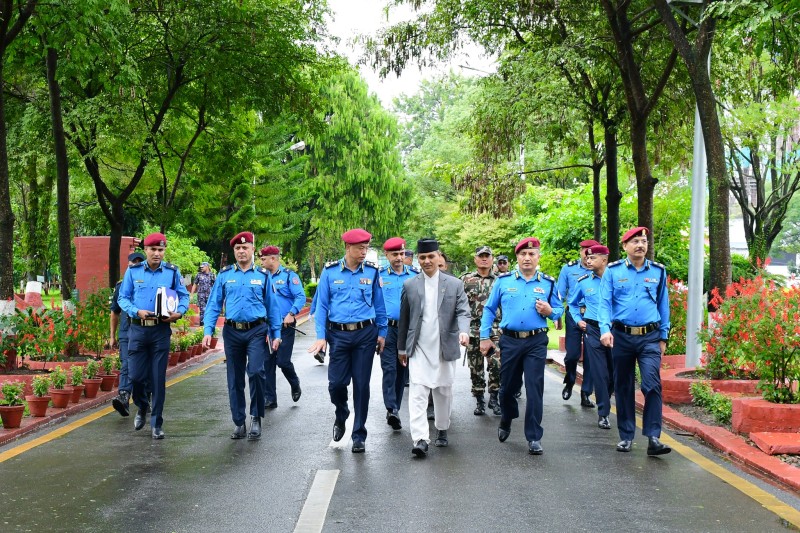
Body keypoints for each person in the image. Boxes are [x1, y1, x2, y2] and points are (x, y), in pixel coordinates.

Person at [480, 237, 563, 455]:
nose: (527, 258)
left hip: (536, 341)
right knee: (508, 388)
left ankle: (534, 437)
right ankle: (507, 418)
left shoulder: (548, 283)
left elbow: (558, 310)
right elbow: (489, 309)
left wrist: (550, 312)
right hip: (510, 340)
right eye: (523, 254)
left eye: (532, 254)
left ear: (538, 257)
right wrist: (483, 336)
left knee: (535, 389)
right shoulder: (504, 281)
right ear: (517, 257)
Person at [307, 228, 387, 453]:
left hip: (365, 334)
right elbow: (322, 306)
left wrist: (382, 333)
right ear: (347, 248)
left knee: (362, 385)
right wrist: (321, 337)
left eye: (366, 248)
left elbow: (379, 305)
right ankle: (341, 413)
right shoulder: (330, 272)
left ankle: (359, 434)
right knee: (336, 384)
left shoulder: (371, 272)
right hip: (339, 335)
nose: (364, 252)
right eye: (360, 248)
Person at [599, 227, 671, 456]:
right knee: (623, 386)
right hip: (621, 336)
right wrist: (604, 329)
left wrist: (663, 335)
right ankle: (626, 436)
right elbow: (604, 303)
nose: (640, 245)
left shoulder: (658, 271)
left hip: (650, 336)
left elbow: (663, 304)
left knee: (652, 384)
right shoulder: (613, 271)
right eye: (635, 241)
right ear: (625, 246)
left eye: (643, 241)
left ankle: (653, 437)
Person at [203, 232, 282, 440]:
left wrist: (276, 334)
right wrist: (207, 330)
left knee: (256, 372)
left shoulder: (263, 276)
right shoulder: (225, 275)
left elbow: (272, 307)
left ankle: (256, 416)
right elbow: (214, 304)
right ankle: (239, 422)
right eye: (237, 248)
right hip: (232, 331)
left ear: (252, 250)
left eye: (245, 248)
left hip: (257, 330)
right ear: (234, 251)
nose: (241, 251)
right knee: (235, 378)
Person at [398, 239, 470, 458]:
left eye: (431, 256)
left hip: (444, 347)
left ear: (439, 257)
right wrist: (402, 349)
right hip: (419, 347)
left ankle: (442, 428)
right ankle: (420, 438)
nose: (427, 261)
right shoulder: (410, 285)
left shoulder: (454, 284)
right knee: (418, 393)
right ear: (418, 260)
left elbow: (463, 311)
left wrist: (464, 331)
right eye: (422, 257)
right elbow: (405, 318)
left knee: (443, 391)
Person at [118, 233, 189, 439]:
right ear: (146, 250)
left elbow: (183, 295)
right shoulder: (133, 271)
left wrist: (180, 311)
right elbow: (123, 298)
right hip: (138, 330)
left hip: (160, 330)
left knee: (158, 379)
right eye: (153, 250)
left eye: (160, 250)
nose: (157, 253)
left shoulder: (172, 272)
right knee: (136, 377)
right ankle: (142, 405)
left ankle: (157, 423)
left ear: (164, 251)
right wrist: (135, 311)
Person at [569, 245, 615, 430]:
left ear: (604, 259)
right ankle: (603, 413)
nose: (587, 261)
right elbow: (572, 304)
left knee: (614, 374)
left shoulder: (617, 279)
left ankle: (606, 395)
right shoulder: (583, 281)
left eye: (592, 258)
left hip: (615, 331)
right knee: (599, 372)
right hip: (593, 330)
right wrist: (578, 320)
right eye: (587, 258)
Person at [379, 237, 417, 431]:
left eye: (401, 254)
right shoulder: (379, 276)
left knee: (402, 371)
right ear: (386, 255)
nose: (399, 258)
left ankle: (395, 407)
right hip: (387, 328)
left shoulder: (414, 276)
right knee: (389, 368)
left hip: (408, 329)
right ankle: (391, 408)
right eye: (394, 254)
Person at [259, 246, 305, 408]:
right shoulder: (261, 276)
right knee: (267, 362)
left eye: (264, 258)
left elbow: (300, 296)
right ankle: (270, 398)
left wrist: (292, 313)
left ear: (273, 258)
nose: (261, 261)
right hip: (267, 327)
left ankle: (294, 383)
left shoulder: (288, 276)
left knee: (283, 361)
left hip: (285, 326)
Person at [557, 239, 600, 408]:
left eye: (591, 250)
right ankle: (570, 380)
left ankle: (586, 393)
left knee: (591, 356)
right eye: (585, 250)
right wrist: (557, 315)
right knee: (572, 354)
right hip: (573, 315)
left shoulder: (601, 270)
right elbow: (560, 294)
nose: (587, 254)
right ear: (580, 251)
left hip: (593, 316)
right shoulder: (568, 269)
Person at [460, 245, 502, 416]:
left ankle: (494, 397)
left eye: (487, 255)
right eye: (481, 256)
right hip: (473, 330)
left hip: (495, 329)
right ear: (475, 259)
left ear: (492, 259)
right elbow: (459, 305)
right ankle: (479, 400)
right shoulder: (465, 280)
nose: (484, 258)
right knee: (475, 367)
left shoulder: (501, 280)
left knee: (497, 364)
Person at [109, 251, 146, 417]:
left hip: (145, 330)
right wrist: (112, 336)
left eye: (139, 262)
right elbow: (114, 313)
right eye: (133, 262)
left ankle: (145, 397)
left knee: (142, 367)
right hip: (126, 331)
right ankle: (124, 397)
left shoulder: (148, 285)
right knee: (126, 364)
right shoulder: (120, 286)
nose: (135, 265)